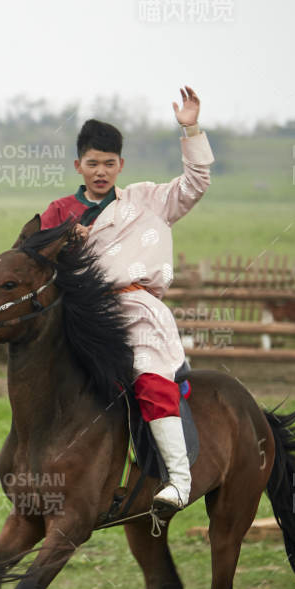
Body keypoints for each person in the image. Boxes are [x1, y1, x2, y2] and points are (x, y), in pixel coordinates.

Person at [36, 87, 212, 513]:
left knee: (150, 377)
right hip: (77, 314)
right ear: (78, 165)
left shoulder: (147, 201)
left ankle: (178, 480)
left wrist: (189, 127)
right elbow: (34, 261)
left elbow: (196, 182)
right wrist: (64, 242)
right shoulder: (59, 212)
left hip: (136, 311)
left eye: (109, 164)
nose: (101, 172)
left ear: (121, 165)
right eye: (92, 163)